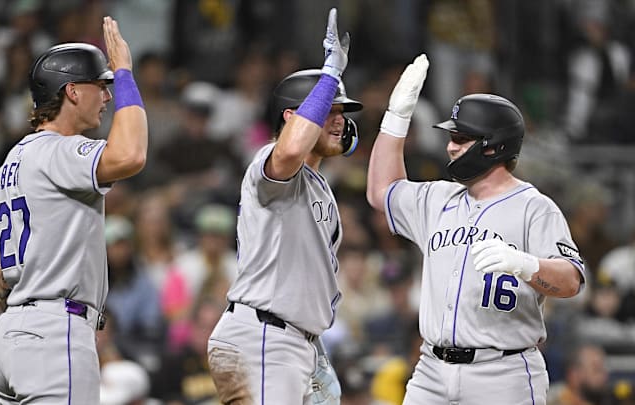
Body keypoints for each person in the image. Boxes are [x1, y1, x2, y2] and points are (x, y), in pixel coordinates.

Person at [366, 54, 586, 404]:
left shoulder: (534, 207)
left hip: (503, 372)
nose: (450, 146)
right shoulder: (439, 197)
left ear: (493, 146)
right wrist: (396, 118)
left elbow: (571, 281)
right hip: (431, 371)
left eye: (462, 138)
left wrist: (526, 265)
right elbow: (381, 192)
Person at [0, 16, 147, 404]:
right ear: (72, 91)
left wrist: (21, 317)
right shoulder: (58, 150)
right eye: (99, 86)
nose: (106, 96)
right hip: (51, 336)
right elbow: (131, 155)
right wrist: (124, 73)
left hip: (9, 336)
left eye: (109, 86)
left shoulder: (13, 159)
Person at [207, 8, 361, 405]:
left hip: (288, 340)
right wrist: (329, 76)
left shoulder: (319, 185)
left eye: (342, 113)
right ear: (292, 118)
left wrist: (312, 343)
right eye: (330, 110)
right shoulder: (269, 162)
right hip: (263, 338)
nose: (339, 120)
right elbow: (291, 148)